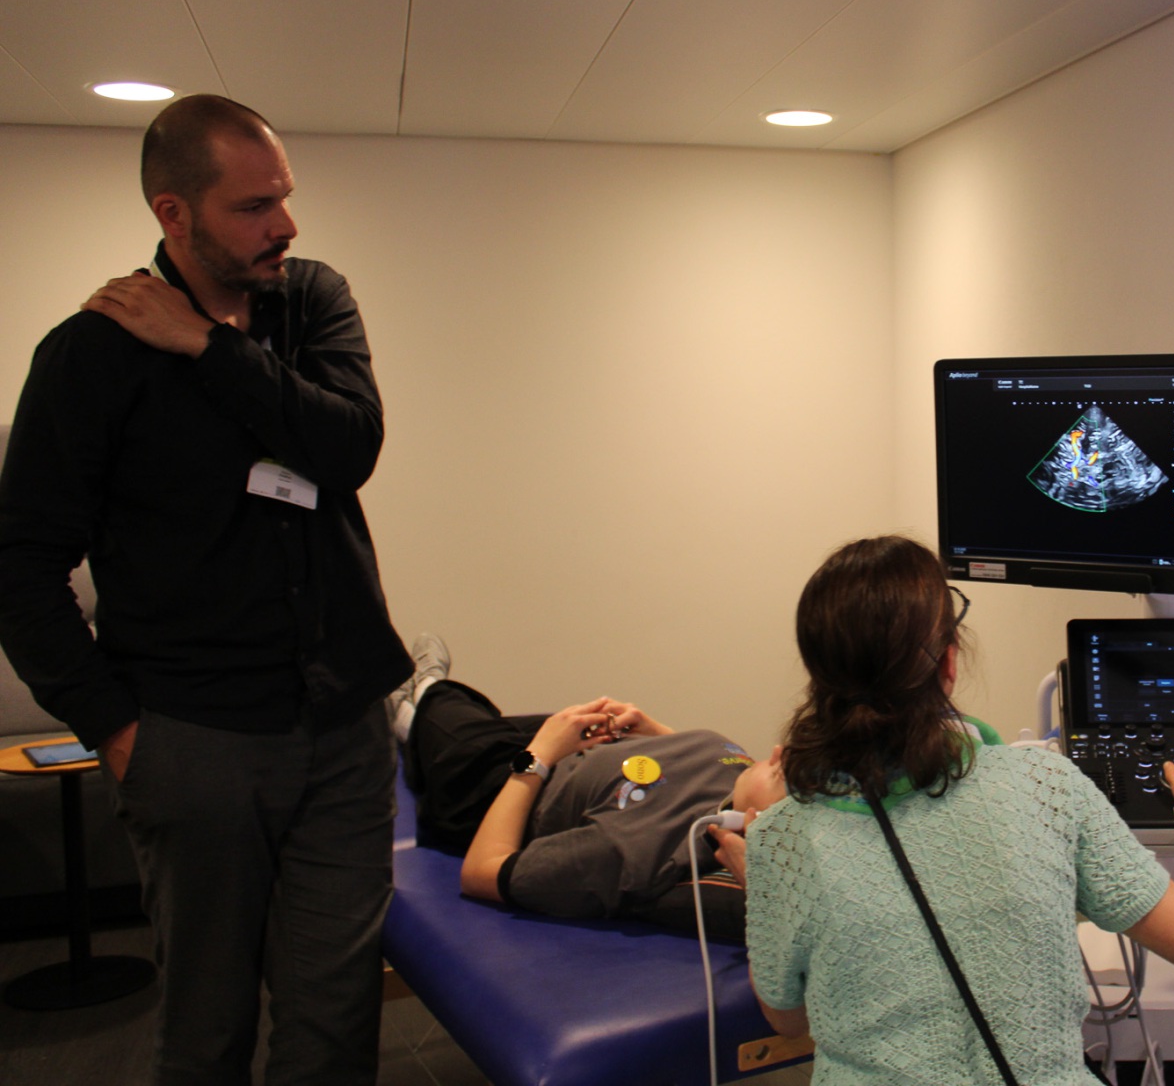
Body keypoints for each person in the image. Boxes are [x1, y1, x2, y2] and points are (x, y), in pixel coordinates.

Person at [0, 95, 413, 1084]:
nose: (285, 225)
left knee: (336, 1022)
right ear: (174, 213)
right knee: (207, 1024)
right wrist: (114, 727)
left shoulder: (311, 301)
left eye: (285, 198)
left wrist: (206, 345)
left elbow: (348, 447)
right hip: (195, 740)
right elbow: (21, 567)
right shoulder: (89, 356)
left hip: (346, 727)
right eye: (254, 206)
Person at [729, 535, 1174, 1086]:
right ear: (949, 662)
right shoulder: (1045, 785)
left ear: (819, 678)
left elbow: (788, 1020)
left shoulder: (780, 840)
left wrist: (768, 885)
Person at [387, 637, 786, 940]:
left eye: (789, 778)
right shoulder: (744, 782)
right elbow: (688, 784)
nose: (780, 755)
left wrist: (539, 755)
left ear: (761, 827)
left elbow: (480, 873)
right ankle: (417, 713)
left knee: (451, 718)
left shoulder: (630, 849)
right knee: (480, 720)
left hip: (506, 786)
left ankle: (418, 694)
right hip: (578, 752)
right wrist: (655, 734)